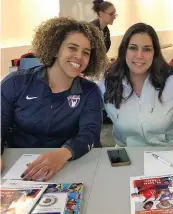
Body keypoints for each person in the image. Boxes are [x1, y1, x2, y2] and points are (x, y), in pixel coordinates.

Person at [1, 17, 108, 181]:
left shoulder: (89, 91)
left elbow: (90, 133)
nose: (79, 56)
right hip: (17, 168)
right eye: (72, 48)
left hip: (69, 166)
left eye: (86, 53)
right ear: (56, 49)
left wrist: (62, 155)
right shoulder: (15, 83)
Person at [98, 23, 173, 147]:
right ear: (124, 50)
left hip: (171, 154)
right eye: (133, 48)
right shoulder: (106, 84)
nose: (139, 56)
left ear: (155, 53)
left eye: (147, 49)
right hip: (128, 157)